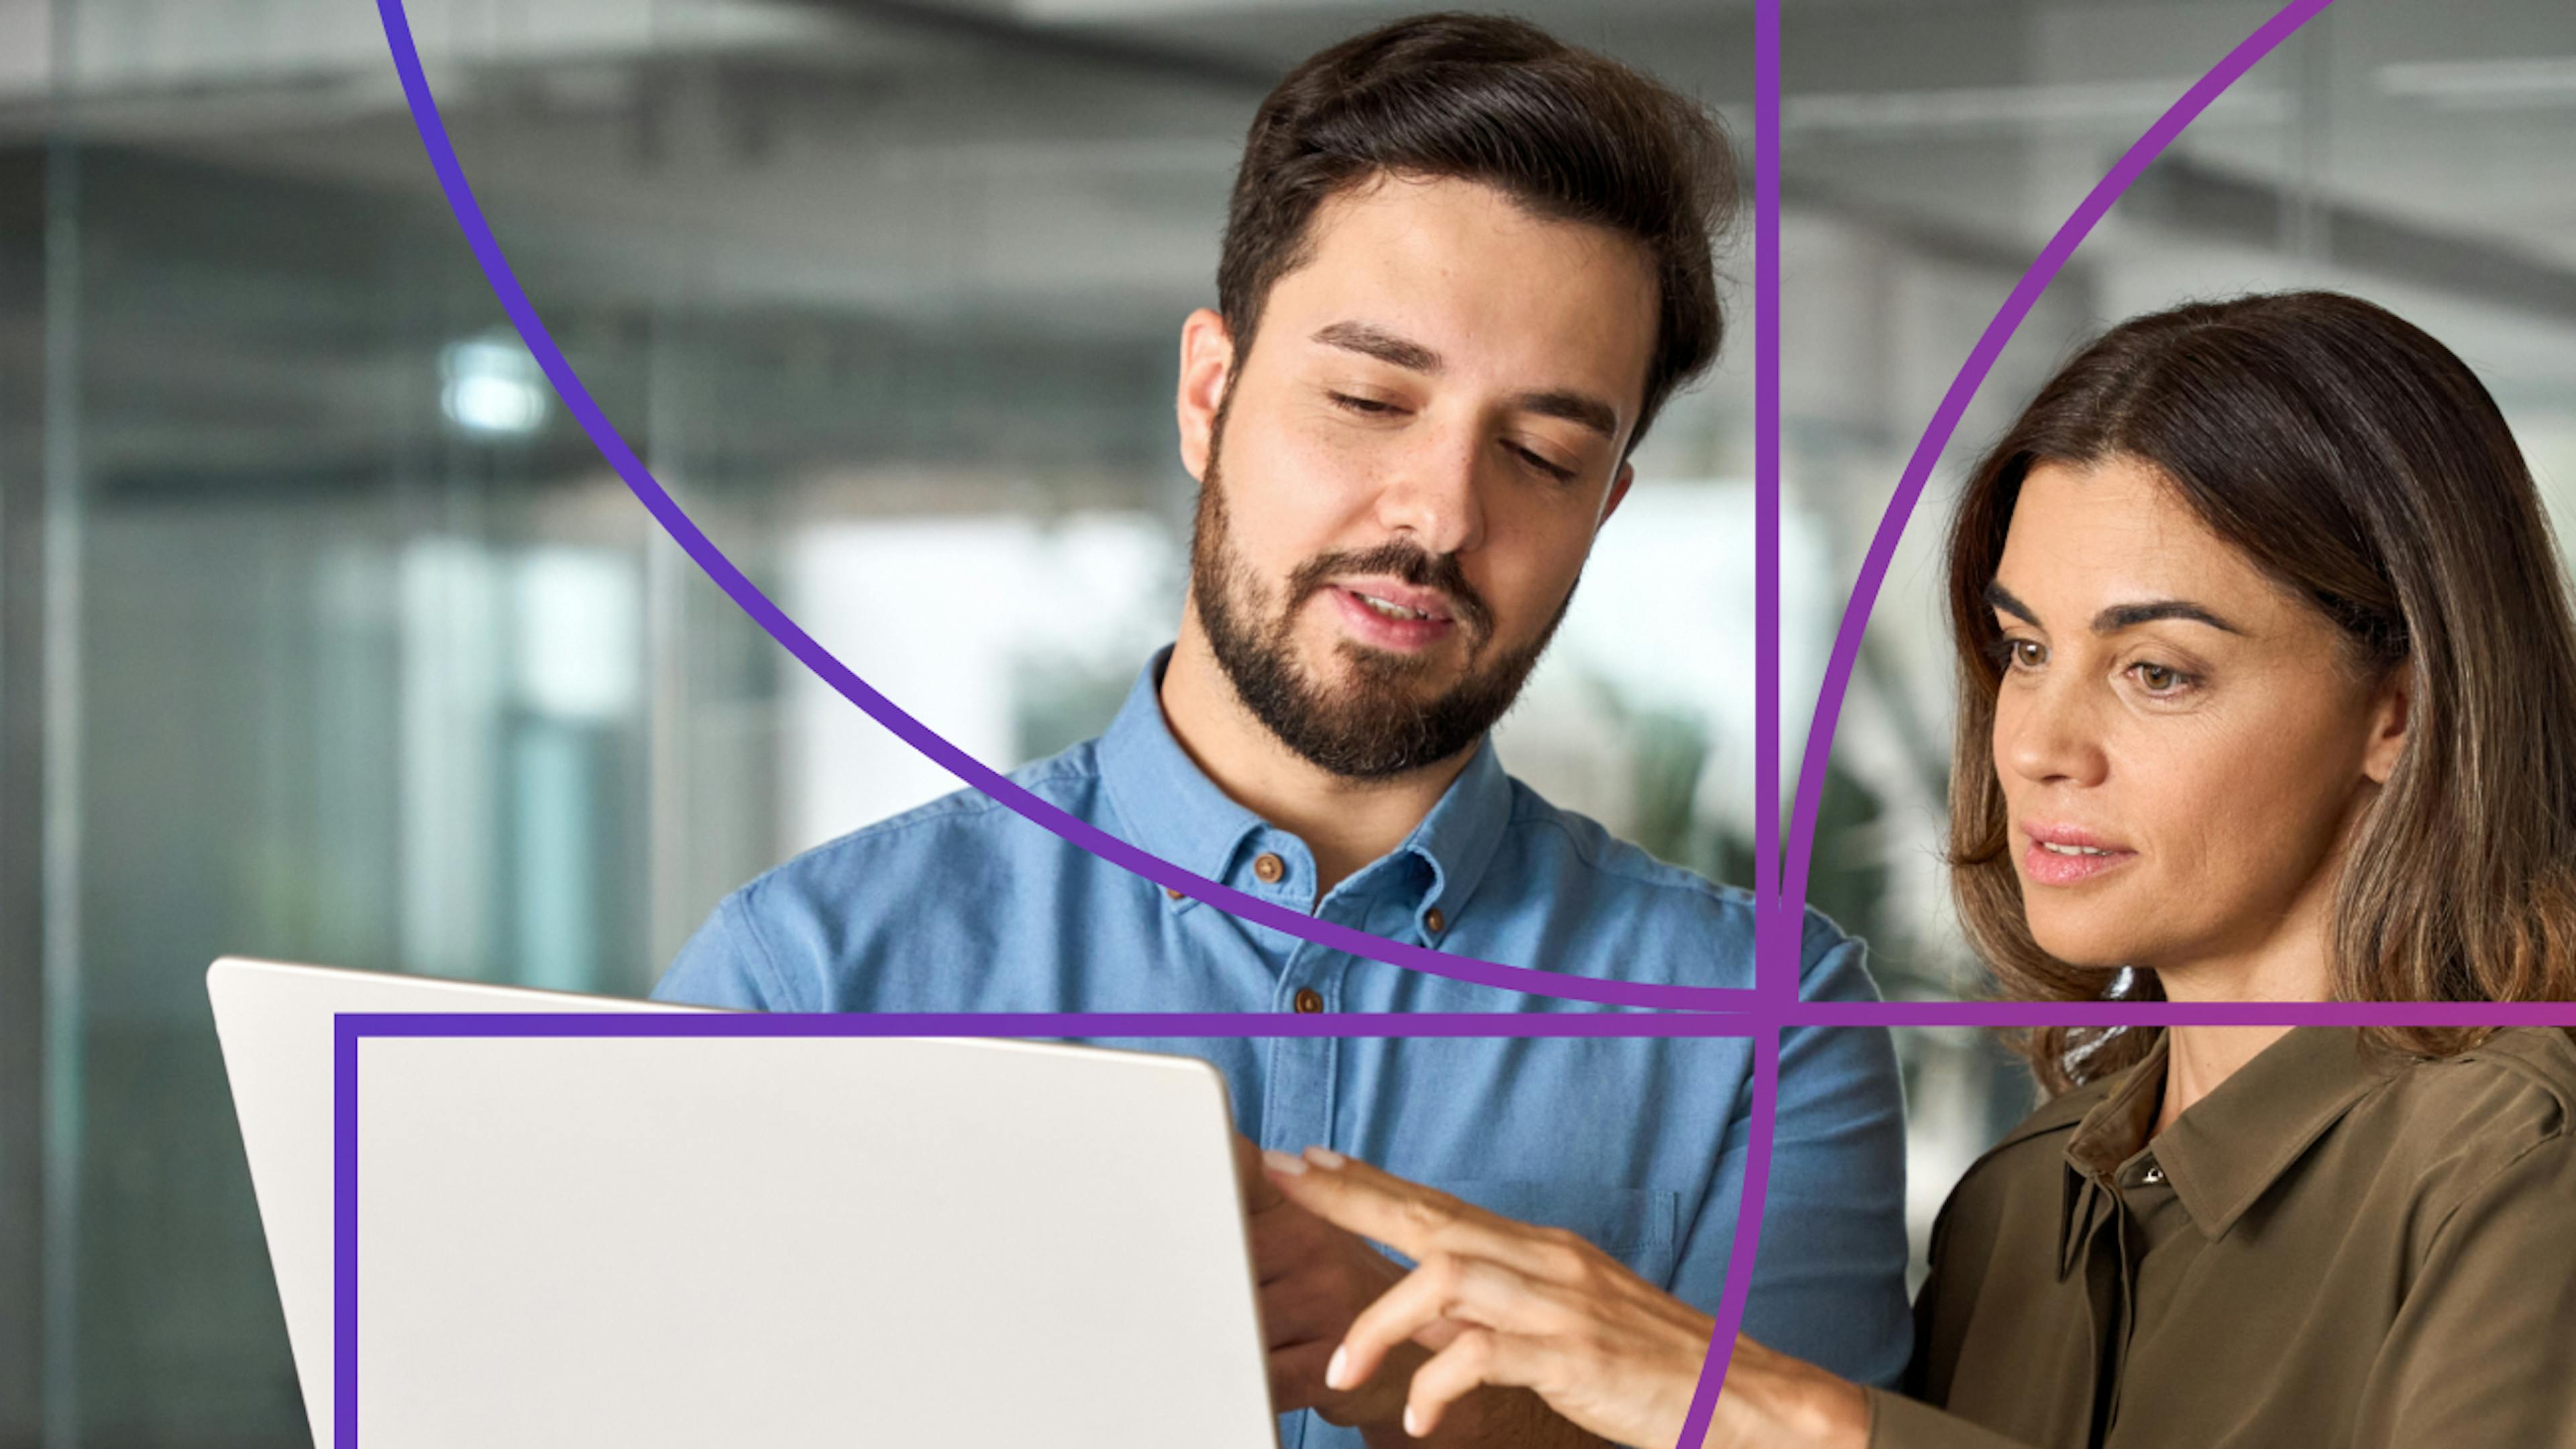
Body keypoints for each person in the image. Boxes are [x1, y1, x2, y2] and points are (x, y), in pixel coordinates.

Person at [649, 14, 1913, 1448]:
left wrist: (1454, 1394)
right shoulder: (808, 978)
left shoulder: (1762, 1030)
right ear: (1209, 394)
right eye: (1370, 399)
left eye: (1543, 454)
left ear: (1603, 510)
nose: (1441, 514)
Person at [1258, 290, 2576, 1448]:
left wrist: (1788, 1415)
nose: (2043, 746)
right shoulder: (2023, 1197)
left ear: (2399, 712)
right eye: (2024, 650)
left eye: (2157, 671)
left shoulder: (2522, 1163)